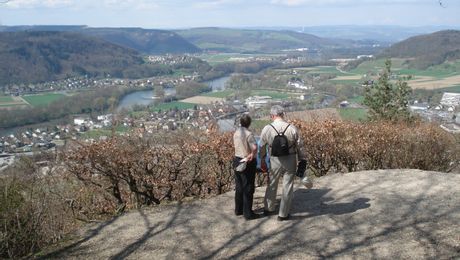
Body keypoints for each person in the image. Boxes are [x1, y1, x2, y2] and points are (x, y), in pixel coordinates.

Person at [259, 105, 310, 221]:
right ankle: (283, 214)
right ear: (282, 114)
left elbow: (261, 145)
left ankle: (269, 208)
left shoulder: (267, 128)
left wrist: (262, 158)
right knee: (287, 186)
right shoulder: (292, 128)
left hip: (274, 159)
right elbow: (300, 146)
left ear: (272, 116)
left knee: (272, 184)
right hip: (290, 158)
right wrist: (302, 159)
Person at [233, 114, 261, 220]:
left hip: (236, 160)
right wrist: (252, 155)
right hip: (247, 162)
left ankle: (238, 210)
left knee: (239, 186)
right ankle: (248, 213)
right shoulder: (248, 134)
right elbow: (254, 147)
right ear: (249, 123)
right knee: (248, 187)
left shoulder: (236, 132)